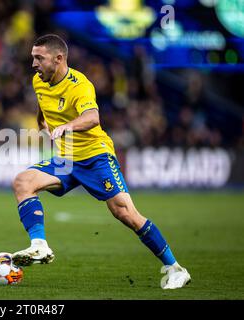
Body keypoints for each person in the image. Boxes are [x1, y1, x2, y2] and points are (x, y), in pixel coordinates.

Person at [11, 34, 191, 290]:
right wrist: (42, 123)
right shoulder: (38, 81)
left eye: (39, 58)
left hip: (96, 157)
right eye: (33, 58)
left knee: (125, 213)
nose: (33, 64)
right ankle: (39, 246)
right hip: (66, 160)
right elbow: (44, 106)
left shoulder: (80, 85)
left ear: (59, 58)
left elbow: (93, 117)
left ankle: (175, 268)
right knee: (23, 182)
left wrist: (67, 127)